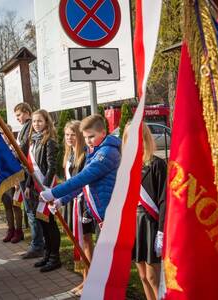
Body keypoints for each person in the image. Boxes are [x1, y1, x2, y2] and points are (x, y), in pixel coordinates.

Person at [40, 114, 121, 275]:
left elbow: (82, 178)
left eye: (91, 136)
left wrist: (53, 193)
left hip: (108, 213)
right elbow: (83, 185)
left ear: (103, 133)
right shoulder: (95, 150)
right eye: (86, 137)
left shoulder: (106, 153)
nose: (88, 141)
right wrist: (61, 200)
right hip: (100, 213)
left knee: (109, 263)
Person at [123, 122, 167, 300]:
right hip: (134, 223)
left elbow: (164, 200)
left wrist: (162, 231)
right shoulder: (125, 166)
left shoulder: (157, 164)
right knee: (142, 275)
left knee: (152, 276)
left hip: (151, 222)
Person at [25, 109, 61, 272]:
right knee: (41, 222)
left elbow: (52, 166)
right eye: (34, 121)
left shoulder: (50, 141)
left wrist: (45, 190)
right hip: (35, 188)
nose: (36, 124)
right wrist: (27, 185)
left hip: (46, 188)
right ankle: (47, 254)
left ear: (47, 122)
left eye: (39, 121)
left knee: (49, 223)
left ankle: (55, 258)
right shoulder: (32, 140)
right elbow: (30, 167)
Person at [62, 120, 94, 296]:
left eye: (73, 134)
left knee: (87, 243)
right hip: (72, 202)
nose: (69, 137)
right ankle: (84, 279)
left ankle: (89, 280)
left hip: (83, 203)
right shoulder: (69, 155)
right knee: (79, 242)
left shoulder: (85, 155)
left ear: (79, 135)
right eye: (67, 134)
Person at [14, 103, 44, 258]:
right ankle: (38, 243)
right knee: (30, 211)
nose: (18, 118)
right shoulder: (23, 128)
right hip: (24, 174)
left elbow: (23, 150)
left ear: (27, 112)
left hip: (29, 175)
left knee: (32, 211)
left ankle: (38, 245)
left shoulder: (27, 128)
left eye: (19, 115)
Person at [0, 124, 24, 244]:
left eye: (6, 132)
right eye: (2, 133)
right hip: (3, 181)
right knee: (7, 206)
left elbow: (19, 165)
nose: (4, 135)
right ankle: (10, 230)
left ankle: (19, 232)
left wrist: (18, 181)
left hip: (15, 181)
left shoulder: (15, 146)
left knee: (16, 206)